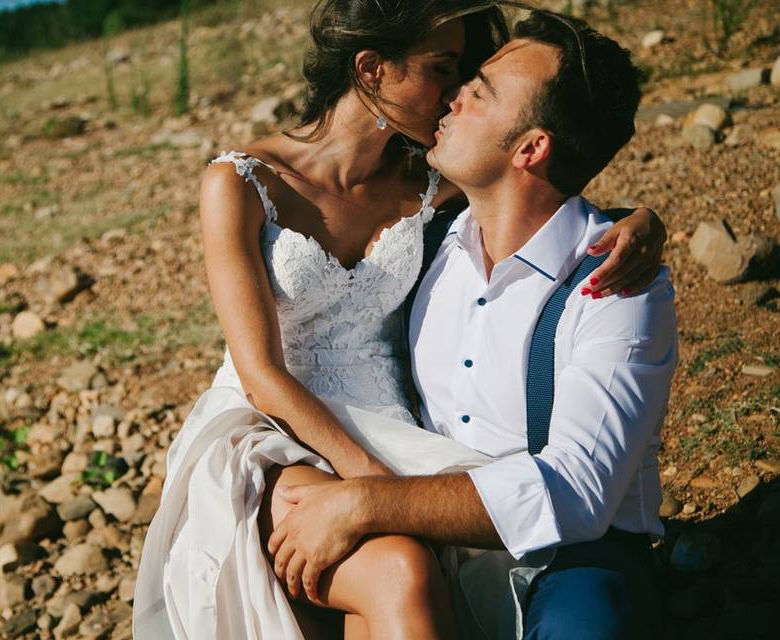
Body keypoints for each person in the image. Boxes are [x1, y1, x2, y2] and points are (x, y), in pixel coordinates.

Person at [133, 1, 668, 638]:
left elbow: (540, 199)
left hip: (398, 434)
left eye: (466, 74)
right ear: (372, 68)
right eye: (444, 69)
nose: (453, 94)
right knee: (402, 572)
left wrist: (639, 222)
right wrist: (379, 488)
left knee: (396, 585)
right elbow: (260, 374)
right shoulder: (244, 183)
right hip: (276, 427)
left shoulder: (427, 187)